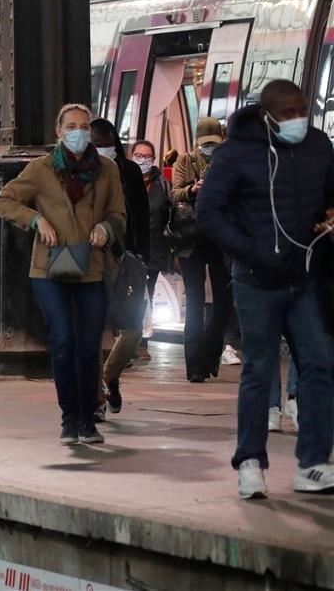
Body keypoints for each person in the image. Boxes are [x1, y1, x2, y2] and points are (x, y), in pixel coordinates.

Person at [196, 79, 333, 498]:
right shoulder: (235, 153)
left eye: (301, 111)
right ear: (267, 113)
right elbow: (209, 211)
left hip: (306, 275)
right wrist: (250, 251)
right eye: (288, 113)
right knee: (257, 369)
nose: (297, 120)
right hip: (256, 281)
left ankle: (312, 463)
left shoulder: (318, 145)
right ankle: (250, 462)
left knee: (320, 364)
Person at [0, 104, 126, 446]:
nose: (78, 132)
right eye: (71, 126)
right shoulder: (40, 169)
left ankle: (88, 418)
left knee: (88, 347)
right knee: (63, 342)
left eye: (83, 126)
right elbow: (4, 201)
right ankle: (70, 418)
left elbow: (118, 214)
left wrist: (106, 228)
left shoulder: (107, 170)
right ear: (59, 131)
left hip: (92, 268)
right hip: (49, 269)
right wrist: (36, 220)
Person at [90, 119, 150, 422]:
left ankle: (109, 376)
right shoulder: (80, 174)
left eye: (106, 141)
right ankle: (96, 401)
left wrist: (145, 258)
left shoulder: (129, 171)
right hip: (90, 262)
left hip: (125, 261)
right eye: (95, 141)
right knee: (95, 333)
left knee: (132, 330)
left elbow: (142, 216)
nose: (102, 147)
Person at [171, 116, 233, 383]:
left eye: (214, 142)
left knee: (224, 301)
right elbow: (174, 194)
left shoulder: (229, 160)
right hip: (192, 238)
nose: (211, 147)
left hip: (221, 238)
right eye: (206, 143)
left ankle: (211, 350)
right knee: (194, 302)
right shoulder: (185, 160)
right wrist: (192, 189)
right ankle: (195, 365)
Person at [130, 140, 173, 351]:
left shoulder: (163, 185)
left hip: (153, 250)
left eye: (147, 156)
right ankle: (129, 338)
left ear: (154, 159)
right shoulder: (123, 181)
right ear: (131, 156)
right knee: (129, 293)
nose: (143, 160)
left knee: (147, 292)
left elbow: (170, 215)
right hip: (128, 249)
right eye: (139, 155)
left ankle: (142, 342)